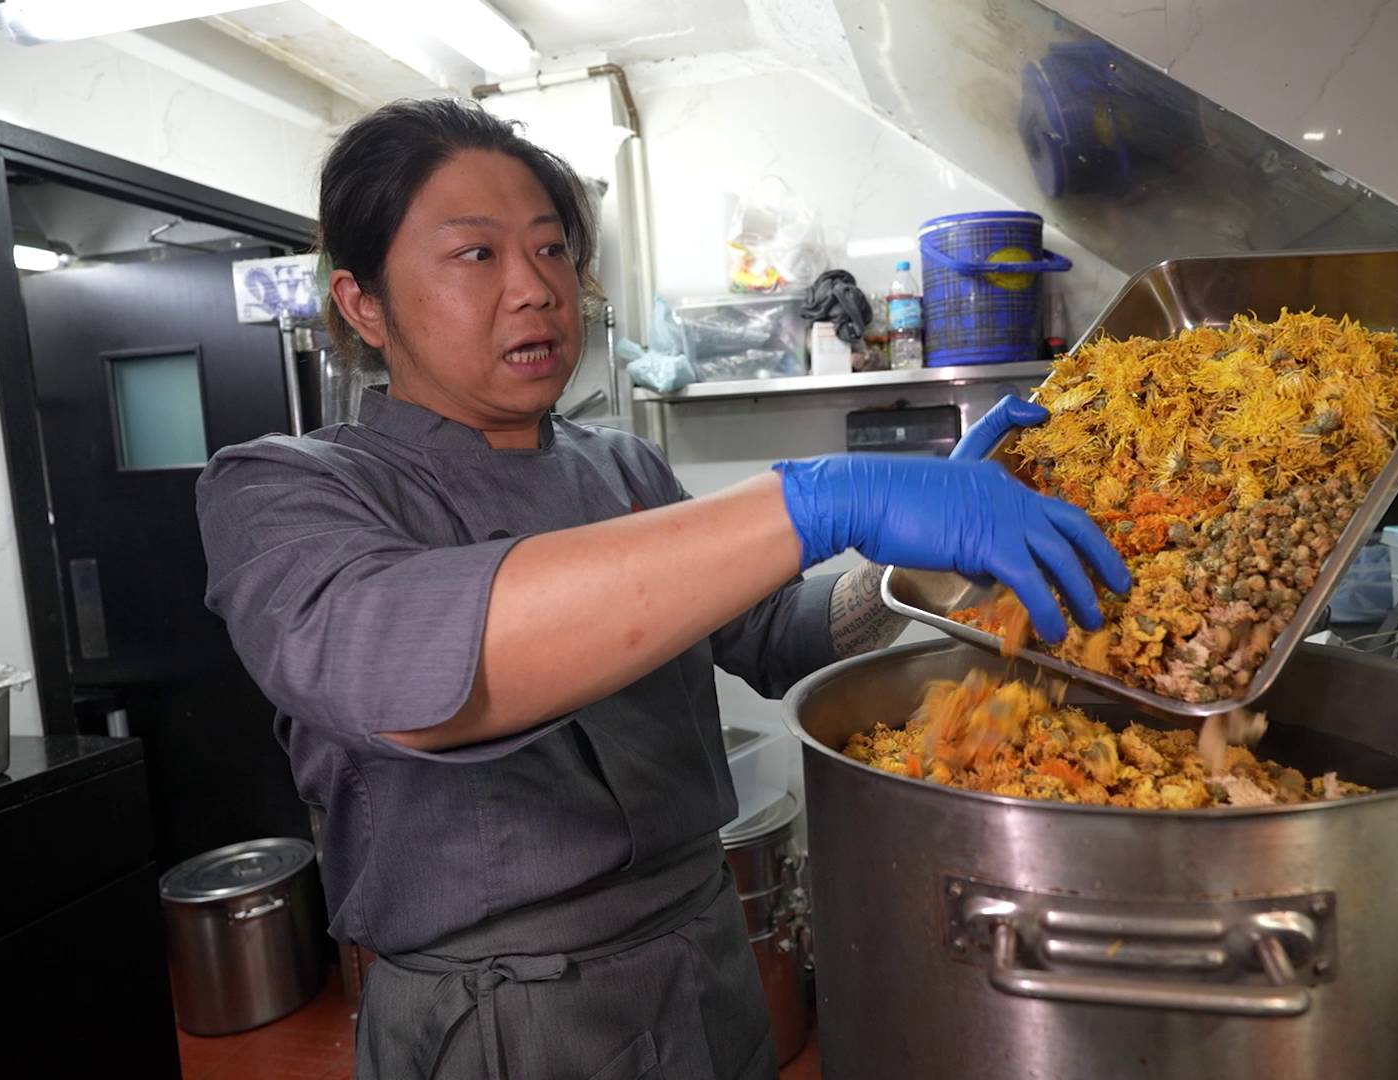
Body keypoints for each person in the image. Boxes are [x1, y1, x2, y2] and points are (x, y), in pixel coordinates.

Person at [196, 97, 1128, 1080]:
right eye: (476, 254)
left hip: (706, 966)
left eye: (551, 250)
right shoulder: (282, 490)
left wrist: (925, 569)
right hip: (506, 1018)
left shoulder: (620, 467)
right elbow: (403, 667)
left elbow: (776, 635)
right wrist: (818, 500)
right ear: (363, 304)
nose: (536, 290)